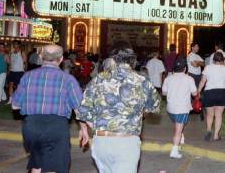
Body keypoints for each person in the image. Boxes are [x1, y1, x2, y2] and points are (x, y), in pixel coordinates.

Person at [78, 41, 160, 173]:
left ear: (112, 58)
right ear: (132, 58)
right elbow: (153, 107)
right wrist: (137, 114)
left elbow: (82, 111)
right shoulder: (142, 81)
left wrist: (100, 127)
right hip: (126, 143)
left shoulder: (98, 79)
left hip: (101, 142)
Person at [11, 44, 89, 173]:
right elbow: (79, 108)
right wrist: (84, 129)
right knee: (54, 167)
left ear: (41, 57)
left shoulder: (27, 77)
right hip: (56, 127)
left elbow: (15, 105)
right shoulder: (68, 79)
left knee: (36, 164)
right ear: (61, 59)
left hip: (31, 126)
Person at [162, 58, 197, 158]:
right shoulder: (189, 79)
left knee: (178, 125)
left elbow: (164, 93)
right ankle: (174, 150)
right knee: (178, 130)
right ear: (185, 68)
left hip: (170, 109)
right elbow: (195, 93)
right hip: (182, 109)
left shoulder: (168, 78)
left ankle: (180, 136)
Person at [198, 51, 225, 141]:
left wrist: (198, 91)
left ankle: (209, 130)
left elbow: (203, 81)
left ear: (213, 60)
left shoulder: (208, 67)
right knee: (218, 115)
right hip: (221, 92)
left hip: (209, 92)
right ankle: (216, 135)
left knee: (210, 114)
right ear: (222, 60)